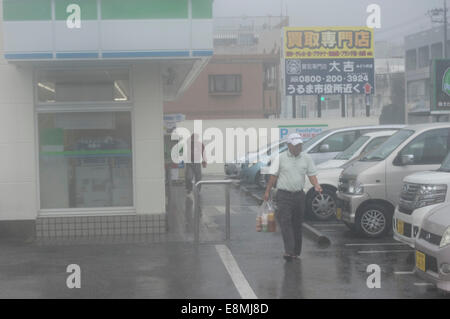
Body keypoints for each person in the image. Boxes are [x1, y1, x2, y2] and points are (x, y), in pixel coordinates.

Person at [264, 133, 322, 262]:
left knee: (297, 224)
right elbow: (273, 176)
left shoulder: (306, 158)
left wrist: (316, 185)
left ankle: (296, 251)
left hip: (299, 195)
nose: (298, 148)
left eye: (300, 145)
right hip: (284, 195)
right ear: (288, 145)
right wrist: (267, 191)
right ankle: (289, 251)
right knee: (285, 222)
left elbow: (311, 174)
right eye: (295, 146)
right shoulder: (280, 158)